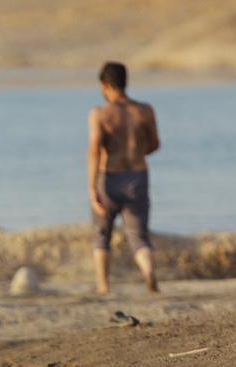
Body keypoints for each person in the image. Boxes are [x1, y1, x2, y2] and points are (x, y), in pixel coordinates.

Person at [88, 61, 160, 294]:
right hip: (138, 176)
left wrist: (91, 189)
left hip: (109, 177)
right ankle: (149, 272)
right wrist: (137, 152)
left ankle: (103, 286)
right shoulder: (145, 110)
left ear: (105, 85)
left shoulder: (100, 114)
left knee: (102, 235)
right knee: (139, 238)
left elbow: (94, 152)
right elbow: (154, 144)